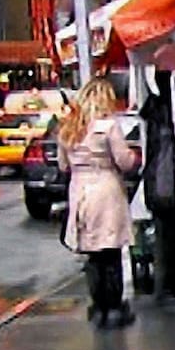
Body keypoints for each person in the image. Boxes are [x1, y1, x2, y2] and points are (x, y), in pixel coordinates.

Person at [58, 77, 141, 329]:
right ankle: (115, 308)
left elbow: (63, 166)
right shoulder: (108, 127)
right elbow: (124, 161)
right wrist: (136, 157)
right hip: (106, 191)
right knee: (111, 252)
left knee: (92, 254)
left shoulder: (68, 128)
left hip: (80, 192)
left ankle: (99, 308)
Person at [139, 70, 175, 302]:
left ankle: (165, 285)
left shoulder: (153, 109)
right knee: (173, 234)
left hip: (156, 181)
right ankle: (174, 285)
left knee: (163, 234)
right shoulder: (169, 111)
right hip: (167, 182)